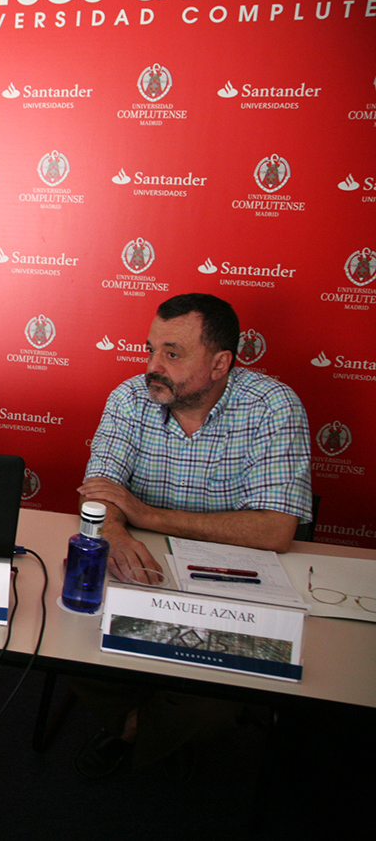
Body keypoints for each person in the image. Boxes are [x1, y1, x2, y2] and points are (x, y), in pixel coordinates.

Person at [72, 292, 312, 777]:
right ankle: (147, 725)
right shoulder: (129, 398)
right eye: (151, 349)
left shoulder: (272, 405)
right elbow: (97, 494)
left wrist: (147, 514)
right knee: (68, 641)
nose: (153, 366)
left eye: (173, 353)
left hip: (235, 582)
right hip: (147, 572)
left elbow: (276, 527)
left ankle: (131, 732)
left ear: (220, 362)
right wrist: (115, 531)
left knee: (214, 702)